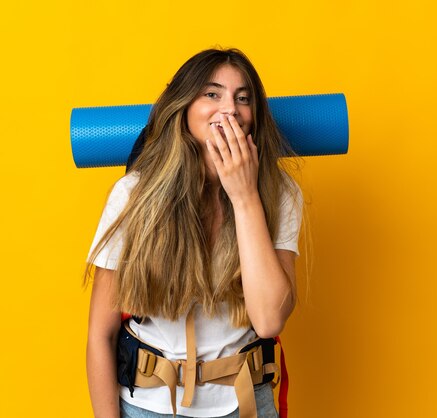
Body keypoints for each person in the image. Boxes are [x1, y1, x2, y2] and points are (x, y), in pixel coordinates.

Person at [85, 48, 303, 418]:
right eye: (212, 94)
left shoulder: (279, 193)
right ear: (184, 108)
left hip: (246, 404)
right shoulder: (132, 195)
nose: (230, 109)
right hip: (147, 407)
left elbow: (268, 320)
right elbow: (99, 336)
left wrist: (245, 196)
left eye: (243, 98)